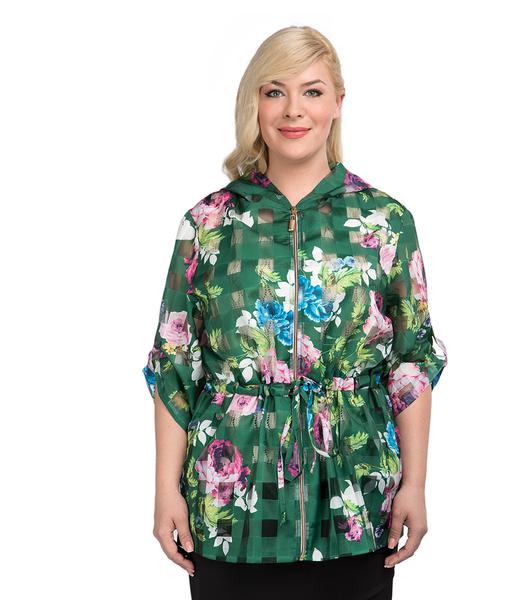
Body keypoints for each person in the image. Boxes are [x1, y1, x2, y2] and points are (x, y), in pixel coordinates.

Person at [142, 25, 448, 600]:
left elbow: (411, 362)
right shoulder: (208, 224)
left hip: (356, 499)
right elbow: (174, 364)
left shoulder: (385, 222)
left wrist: (416, 483)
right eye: (274, 91)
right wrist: (165, 491)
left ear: (338, 102)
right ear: (254, 104)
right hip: (232, 506)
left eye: (311, 91)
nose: (293, 110)